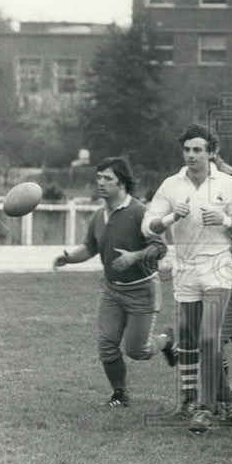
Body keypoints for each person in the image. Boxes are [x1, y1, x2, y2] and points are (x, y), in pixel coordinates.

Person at [143, 124, 232, 433]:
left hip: (217, 266)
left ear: (211, 152)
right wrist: (172, 217)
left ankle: (205, 408)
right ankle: (226, 395)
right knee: (191, 336)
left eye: (198, 150)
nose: (191, 155)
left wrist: (225, 220)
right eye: (187, 150)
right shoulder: (171, 185)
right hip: (185, 269)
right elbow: (148, 227)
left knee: (208, 338)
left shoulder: (228, 184)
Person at [53, 157, 174, 407]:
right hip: (111, 291)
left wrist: (135, 257)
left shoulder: (140, 212)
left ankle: (168, 340)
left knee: (137, 351)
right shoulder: (99, 216)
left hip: (142, 291)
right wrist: (68, 258)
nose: (101, 183)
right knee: (106, 345)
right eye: (98, 178)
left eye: (107, 178)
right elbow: (90, 247)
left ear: (122, 183)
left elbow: (160, 248)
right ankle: (120, 393)